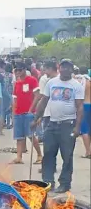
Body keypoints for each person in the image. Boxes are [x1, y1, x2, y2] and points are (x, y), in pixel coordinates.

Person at [32, 59, 84, 193]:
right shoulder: (51, 82)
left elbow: (80, 107)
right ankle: (48, 181)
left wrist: (77, 127)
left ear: (72, 69)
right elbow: (44, 101)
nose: (66, 70)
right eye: (63, 67)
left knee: (67, 156)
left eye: (68, 67)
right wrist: (36, 118)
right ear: (59, 68)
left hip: (68, 124)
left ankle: (65, 183)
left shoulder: (76, 85)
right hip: (52, 123)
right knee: (48, 153)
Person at [10, 62, 43, 164]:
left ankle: (39, 155)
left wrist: (31, 110)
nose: (18, 72)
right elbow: (15, 99)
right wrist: (13, 113)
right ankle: (19, 157)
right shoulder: (17, 83)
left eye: (20, 70)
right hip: (18, 112)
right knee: (19, 136)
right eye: (16, 70)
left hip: (29, 112)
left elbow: (37, 96)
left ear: (24, 70)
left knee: (31, 135)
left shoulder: (32, 80)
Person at [75, 66, 91, 158]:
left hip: (85, 105)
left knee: (85, 129)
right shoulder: (89, 80)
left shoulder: (81, 81)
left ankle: (88, 152)